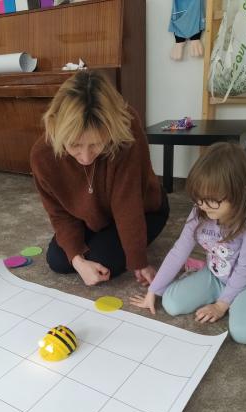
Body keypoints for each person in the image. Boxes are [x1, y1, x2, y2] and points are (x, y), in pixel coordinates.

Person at [131, 142, 246, 344]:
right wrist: (153, 290)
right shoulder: (200, 209)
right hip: (216, 274)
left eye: (213, 199)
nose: (203, 205)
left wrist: (221, 305)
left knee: (245, 334)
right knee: (170, 303)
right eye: (199, 197)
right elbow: (179, 251)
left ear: (241, 191)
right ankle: (202, 270)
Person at [30, 70, 169, 287]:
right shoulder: (42, 155)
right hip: (91, 216)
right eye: (75, 145)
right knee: (59, 260)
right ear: (57, 128)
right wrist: (77, 260)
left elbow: (128, 203)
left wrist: (138, 261)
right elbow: (59, 213)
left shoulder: (126, 130)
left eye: (96, 144)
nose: (86, 157)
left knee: (104, 261)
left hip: (144, 208)